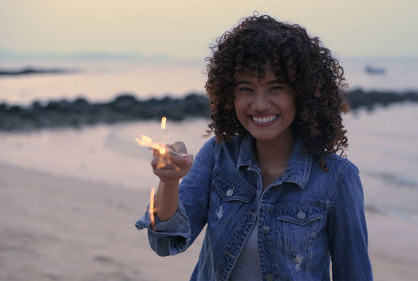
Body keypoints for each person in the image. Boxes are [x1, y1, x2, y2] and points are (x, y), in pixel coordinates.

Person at [135, 14, 372, 281]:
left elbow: (355, 273)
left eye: (275, 88)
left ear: (302, 94)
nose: (259, 104)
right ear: (229, 94)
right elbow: (164, 242)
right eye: (246, 89)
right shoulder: (218, 155)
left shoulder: (337, 178)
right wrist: (170, 182)